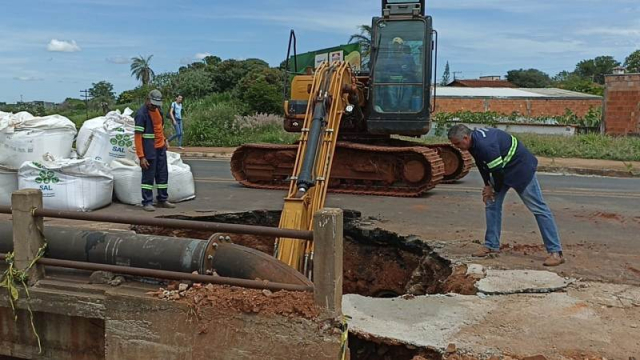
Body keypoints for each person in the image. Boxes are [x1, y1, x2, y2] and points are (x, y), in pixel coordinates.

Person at [447, 124, 565, 266]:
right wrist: (487, 185)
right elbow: (481, 164)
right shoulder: (473, 143)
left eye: (458, 144)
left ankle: (556, 252)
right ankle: (491, 245)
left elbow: (497, 173)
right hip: (502, 169)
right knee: (491, 204)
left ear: (466, 137)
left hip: (520, 169)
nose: (457, 147)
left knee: (539, 209)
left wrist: (493, 189)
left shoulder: (486, 145)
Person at [134, 89, 176, 212]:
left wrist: (165, 140)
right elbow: (138, 137)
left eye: (156, 104)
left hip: (160, 148)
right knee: (148, 178)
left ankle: (162, 199)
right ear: (147, 100)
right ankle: (147, 202)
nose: (154, 106)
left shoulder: (159, 111)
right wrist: (141, 156)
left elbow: (159, 129)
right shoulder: (141, 114)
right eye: (152, 104)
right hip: (149, 151)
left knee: (162, 175)